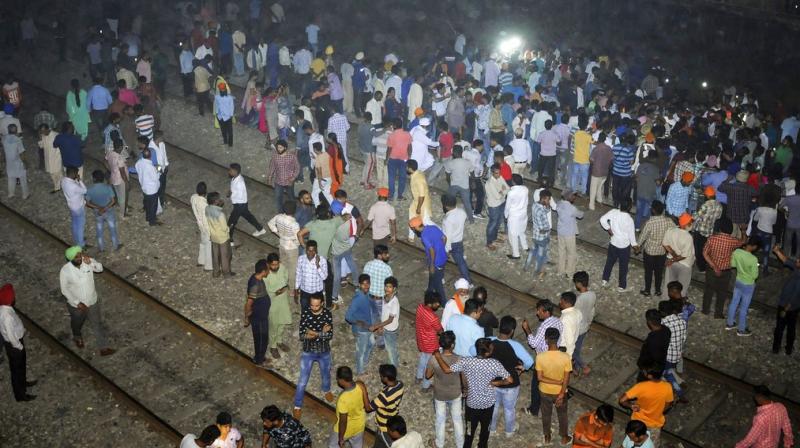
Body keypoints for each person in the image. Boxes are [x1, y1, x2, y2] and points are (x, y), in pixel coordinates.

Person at [432, 338, 512, 448]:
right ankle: (482, 445)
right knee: (485, 430)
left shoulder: (467, 361)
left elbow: (446, 370)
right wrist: (496, 382)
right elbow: (510, 380)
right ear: (488, 352)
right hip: (488, 404)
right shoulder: (495, 364)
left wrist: (438, 356)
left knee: (469, 431)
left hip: (471, 404)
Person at [59, 246, 115, 356]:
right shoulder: (65, 271)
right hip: (77, 306)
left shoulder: (87, 262)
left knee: (96, 323)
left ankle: (103, 348)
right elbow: (64, 289)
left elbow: (100, 269)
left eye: (80, 254)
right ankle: (77, 336)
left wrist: (91, 263)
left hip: (92, 300)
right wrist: (77, 303)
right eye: (76, 256)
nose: (79, 257)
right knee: (77, 323)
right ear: (71, 259)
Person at [488, 316, 533, 438]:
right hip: (511, 384)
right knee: (509, 409)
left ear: (500, 327)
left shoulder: (489, 340)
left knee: (494, 406)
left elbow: (472, 350)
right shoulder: (515, 345)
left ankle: (491, 429)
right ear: (512, 331)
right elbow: (529, 361)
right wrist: (523, 368)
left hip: (493, 382)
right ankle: (509, 431)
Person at [294, 293, 334, 420]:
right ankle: (297, 405)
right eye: (312, 305)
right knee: (302, 380)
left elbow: (330, 335)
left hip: (324, 351)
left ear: (322, 303)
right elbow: (301, 334)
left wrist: (312, 333)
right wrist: (321, 332)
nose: (314, 308)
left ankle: (326, 390)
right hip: (308, 351)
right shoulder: (306, 313)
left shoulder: (327, 314)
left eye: (317, 305)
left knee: (326, 374)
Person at [521, 299, 563, 418]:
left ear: (545, 312)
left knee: (536, 385)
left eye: (539, 310)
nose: (537, 313)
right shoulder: (558, 321)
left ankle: (534, 409)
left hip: (543, 360)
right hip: (554, 357)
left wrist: (527, 329)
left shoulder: (544, 326)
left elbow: (533, 343)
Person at [425, 331, 465, 448]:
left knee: (440, 419)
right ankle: (460, 444)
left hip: (440, 394)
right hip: (455, 393)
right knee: (457, 419)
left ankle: (439, 444)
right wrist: (465, 389)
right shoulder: (459, 359)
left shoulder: (434, 359)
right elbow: (463, 377)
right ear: (452, 345)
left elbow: (427, 376)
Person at [619, 365, 674, 447]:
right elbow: (668, 404)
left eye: (645, 371)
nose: (644, 372)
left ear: (650, 376)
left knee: (631, 441)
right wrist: (658, 411)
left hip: (638, 420)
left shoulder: (641, 386)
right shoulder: (667, 387)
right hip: (655, 424)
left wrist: (631, 405)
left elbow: (622, 400)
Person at [0, 284, 36, 401]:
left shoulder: (5, 309)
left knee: (20, 368)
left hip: (15, 344)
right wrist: (19, 346)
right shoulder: (7, 316)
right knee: (16, 370)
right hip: (14, 346)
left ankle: (23, 382)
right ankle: (20, 395)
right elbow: (11, 335)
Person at [702, 217, 744, 317]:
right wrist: (743, 231)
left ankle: (705, 310)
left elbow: (704, 253)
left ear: (720, 228)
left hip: (712, 270)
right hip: (726, 271)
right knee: (722, 293)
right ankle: (718, 313)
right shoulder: (732, 241)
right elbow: (743, 241)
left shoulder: (712, 238)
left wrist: (714, 267)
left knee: (708, 291)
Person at [361, 364, 405, 448]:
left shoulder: (384, 396)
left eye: (381, 376)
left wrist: (364, 390)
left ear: (385, 378)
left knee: (384, 442)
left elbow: (368, 408)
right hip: (393, 415)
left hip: (384, 426)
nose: (380, 377)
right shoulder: (400, 384)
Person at [637, 201, 675, 297]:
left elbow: (643, 237)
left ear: (653, 210)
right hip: (662, 251)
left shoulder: (650, 222)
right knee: (659, 272)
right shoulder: (668, 221)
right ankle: (658, 290)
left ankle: (647, 290)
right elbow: (675, 230)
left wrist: (637, 246)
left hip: (650, 252)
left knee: (648, 272)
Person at [600, 198, 639, 292]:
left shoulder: (614, 212)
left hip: (613, 243)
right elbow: (632, 236)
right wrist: (636, 247)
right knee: (623, 266)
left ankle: (605, 280)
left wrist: (609, 229)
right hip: (624, 246)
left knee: (609, 262)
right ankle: (621, 286)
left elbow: (602, 220)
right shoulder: (629, 219)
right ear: (630, 207)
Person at [726, 238, 761, 336]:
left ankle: (730, 323)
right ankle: (741, 329)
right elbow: (755, 276)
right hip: (748, 284)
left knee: (734, 302)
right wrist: (756, 267)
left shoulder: (737, 251)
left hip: (738, 280)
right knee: (744, 308)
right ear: (754, 247)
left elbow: (732, 264)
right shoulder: (753, 259)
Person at [409, 217, 447, 307]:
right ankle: (429, 291)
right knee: (433, 277)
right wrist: (441, 249)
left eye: (413, 229)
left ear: (416, 228)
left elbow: (432, 250)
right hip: (443, 257)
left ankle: (444, 304)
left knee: (438, 286)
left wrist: (432, 265)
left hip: (436, 262)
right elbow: (444, 238)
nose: (413, 231)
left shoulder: (424, 236)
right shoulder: (433, 227)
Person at [771, 246, 800, 354]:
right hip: (789, 306)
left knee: (782, 327)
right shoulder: (798, 268)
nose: (796, 260)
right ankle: (785, 349)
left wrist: (786, 308)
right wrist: (777, 251)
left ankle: (780, 348)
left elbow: (796, 294)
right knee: (789, 327)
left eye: (798, 260)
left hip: (789, 307)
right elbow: (786, 260)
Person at [330, 366, 367, 448]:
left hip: (347, 429)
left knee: (333, 445)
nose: (337, 380)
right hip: (360, 425)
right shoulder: (360, 385)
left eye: (337, 378)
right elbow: (366, 406)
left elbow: (343, 421)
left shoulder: (343, 399)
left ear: (342, 380)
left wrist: (341, 438)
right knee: (357, 445)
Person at [228, 163, 267, 241]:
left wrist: (232, 194)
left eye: (230, 170)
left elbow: (240, 195)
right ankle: (260, 229)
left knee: (231, 222)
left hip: (239, 205)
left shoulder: (240, 183)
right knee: (248, 217)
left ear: (235, 171)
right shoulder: (234, 178)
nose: (229, 171)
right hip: (241, 204)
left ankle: (229, 240)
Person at [245, 259, 272, 369]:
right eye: (268, 269)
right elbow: (248, 303)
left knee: (262, 338)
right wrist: (247, 317)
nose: (269, 271)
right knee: (262, 339)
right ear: (263, 272)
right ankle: (259, 361)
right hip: (259, 317)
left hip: (262, 315)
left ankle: (260, 357)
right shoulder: (255, 285)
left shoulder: (256, 277)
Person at [85, 170, 120, 252]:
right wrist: (105, 208)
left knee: (99, 230)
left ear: (93, 179)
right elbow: (113, 201)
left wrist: (98, 208)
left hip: (98, 212)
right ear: (103, 178)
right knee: (112, 229)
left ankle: (101, 248)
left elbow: (87, 203)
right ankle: (115, 246)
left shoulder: (89, 189)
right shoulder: (108, 187)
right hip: (108, 211)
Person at [659, 299, 687, 402]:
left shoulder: (663, 323)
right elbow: (683, 338)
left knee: (667, 375)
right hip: (677, 355)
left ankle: (679, 393)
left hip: (668, 356)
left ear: (663, 312)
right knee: (670, 371)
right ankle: (680, 384)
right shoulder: (682, 321)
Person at [346, 274, 374, 376]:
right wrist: (359, 322)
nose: (366, 286)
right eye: (363, 284)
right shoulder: (358, 299)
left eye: (368, 284)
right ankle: (360, 371)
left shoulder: (367, 294)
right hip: (361, 330)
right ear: (359, 285)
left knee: (371, 343)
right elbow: (348, 316)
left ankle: (365, 361)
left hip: (368, 327)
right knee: (360, 352)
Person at [663, 213, 695, 297]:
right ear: (684, 225)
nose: (691, 224)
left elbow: (665, 244)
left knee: (668, 285)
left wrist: (673, 256)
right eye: (690, 223)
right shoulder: (688, 237)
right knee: (682, 288)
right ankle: (678, 306)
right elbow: (684, 256)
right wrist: (673, 259)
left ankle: (666, 303)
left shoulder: (670, 230)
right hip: (685, 264)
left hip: (671, 263)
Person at [691, 186, 723, 272]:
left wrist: (692, 215)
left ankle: (701, 268)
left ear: (708, 196)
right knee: (706, 250)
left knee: (698, 250)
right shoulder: (719, 205)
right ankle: (707, 264)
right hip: (710, 231)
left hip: (700, 231)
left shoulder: (706, 205)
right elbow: (718, 218)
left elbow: (696, 217)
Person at [442, 195, 472, 283]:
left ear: (446, 206)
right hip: (459, 240)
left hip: (451, 243)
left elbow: (448, 236)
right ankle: (468, 281)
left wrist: (446, 250)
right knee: (461, 262)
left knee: (441, 260)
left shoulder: (448, 219)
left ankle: (441, 278)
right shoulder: (462, 212)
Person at [525, 189, 552, 280]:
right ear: (544, 198)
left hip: (535, 234)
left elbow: (546, 210)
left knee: (533, 251)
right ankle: (537, 271)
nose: (549, 201)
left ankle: (526, 266)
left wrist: (547, 206)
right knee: (540, 255)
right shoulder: (540, 211)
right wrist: (547, 229)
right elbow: (542, 229)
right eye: (548, 199)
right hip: (541, 237)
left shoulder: (535, 205)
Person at [206, 192, 234, 277]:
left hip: (213, 236)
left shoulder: (207, 209)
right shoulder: (221, 214)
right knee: (225, 256)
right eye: (219, 199)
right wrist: (230, 227)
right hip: (222, 238)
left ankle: (216, 272)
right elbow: (224, 228)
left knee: (215, 255)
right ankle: (226, 273)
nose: (220, 200)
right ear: (215, 201)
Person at [556, 190, 583, 278]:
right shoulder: (572, 208)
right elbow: (580, 215)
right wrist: (582, 212)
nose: (574, 197)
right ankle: (569, 272)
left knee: (561, 251)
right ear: (569, 197)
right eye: (573, 196)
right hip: (569, 233)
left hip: (560, 232)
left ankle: (560, 270)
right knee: (571, 253)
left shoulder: (559, 203)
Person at [268, 140, 299, 213]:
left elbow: (297, 168)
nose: (278, 149)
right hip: (278, 182)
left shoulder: (292, 157)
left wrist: (293, 178)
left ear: (285, 148)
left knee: (291, 197)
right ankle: (281, 213)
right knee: (278, 198)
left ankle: (293, 211)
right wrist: (269, 178)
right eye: (277, 147)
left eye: (280, 148)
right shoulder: (275, 156)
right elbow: (272, 167)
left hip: (289, 182)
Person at [445, 146, 475, 221]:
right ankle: (471, 220)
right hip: (465, 185)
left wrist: (449, 184)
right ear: (462, 152)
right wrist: (472, 182)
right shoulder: (467, 162)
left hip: (454, 185)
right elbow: (472, 173)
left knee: (450, 201)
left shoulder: (450, 163)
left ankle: (450, 216)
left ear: (453, 153)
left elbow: (447, 176)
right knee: (467, 203)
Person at [407, 160, 433, 240]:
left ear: (410, 168)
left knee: (426, 222)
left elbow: (422, 196)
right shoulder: (416, 173)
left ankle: (439, 232)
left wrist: (418, 208)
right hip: (416, 201)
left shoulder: (418, 179)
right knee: (412, 218)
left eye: (406, 167)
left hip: (422, 204)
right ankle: (411, 237)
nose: (406, 168)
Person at [61, 167, 87, 247]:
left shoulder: (63, 180)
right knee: (80, 226)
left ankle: (77, 239)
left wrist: (76, 180)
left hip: (71, 206)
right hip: (78, 207)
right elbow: (85, 190)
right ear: (73, 174)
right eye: (76, 173)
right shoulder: (73, 186)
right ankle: (81, 244)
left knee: (75, 223)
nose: (77, 174)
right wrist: (80, 181)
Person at [505, 174, 529, 259]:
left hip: (514, 216)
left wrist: (505, 215)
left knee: (513, 235)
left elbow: (507, 206)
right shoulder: (525, 189)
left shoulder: (511, 193)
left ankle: (516, 254)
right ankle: (525, 247)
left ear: (513, 182)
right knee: (521, 231)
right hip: (523, 214)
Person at [135, 146, 161, 226]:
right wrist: (159, 169)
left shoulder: (138, 163)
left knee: (148, 204)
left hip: (144, 188)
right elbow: (156, 177)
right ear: (150, 156)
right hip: (152, 190)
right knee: (153, 206)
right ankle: (152, 222)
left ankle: (148, 217)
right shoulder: (150, 167)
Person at [588, 132, 614, 210]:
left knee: (593, 188)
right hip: (605, 171)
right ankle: (599, 200)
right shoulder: (609, 148)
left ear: (599, 139)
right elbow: (612, 159)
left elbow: (591, 159)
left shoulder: (596, 148)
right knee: (600, 186)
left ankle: (591, 205)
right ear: (605, 139)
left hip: (596, 171)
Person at [191, 182, 213, 271]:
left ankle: (201, 260)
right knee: (208, 245)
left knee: (203, 243)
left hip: (200, 225)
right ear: (205, 192)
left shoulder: (193, 198)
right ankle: (208, 266)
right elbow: (205, 219)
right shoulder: (204, 205)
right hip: (205, 227)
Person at [3, 124, 29, 200]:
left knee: (11, 177)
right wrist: (25, 162)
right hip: (18, 162)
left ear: (8, 130)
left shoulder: (4, 139)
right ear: (16, 130)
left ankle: (11, 193)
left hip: (9, 162)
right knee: (22, 178)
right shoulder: (18, 140)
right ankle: (25, 194)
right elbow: (22, 153)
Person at [38, 123, 62, 193]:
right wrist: (40, 138)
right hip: (48, 158)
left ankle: (59, 187)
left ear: (48, 129)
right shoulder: (43, 136)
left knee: (58, 173)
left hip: (56, 157)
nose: (42, 133)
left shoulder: (56, 135)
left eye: (43, 131)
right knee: (52, 173)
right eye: (41, 132)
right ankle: (57, 186)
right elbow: (41, 146)